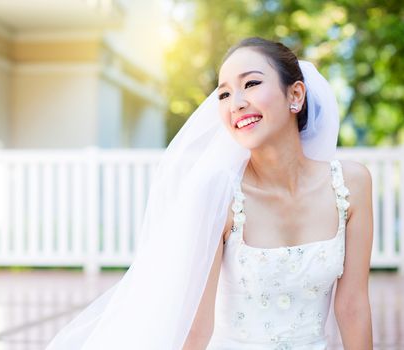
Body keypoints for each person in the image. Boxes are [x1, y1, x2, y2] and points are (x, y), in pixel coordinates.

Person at [46, 37, 374, 350]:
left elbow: (352, 305)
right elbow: (196, 327)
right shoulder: (220, 194)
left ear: (296, 95)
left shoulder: (351, 185)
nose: (237, 103)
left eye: (251, 84)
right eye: (224, 94)